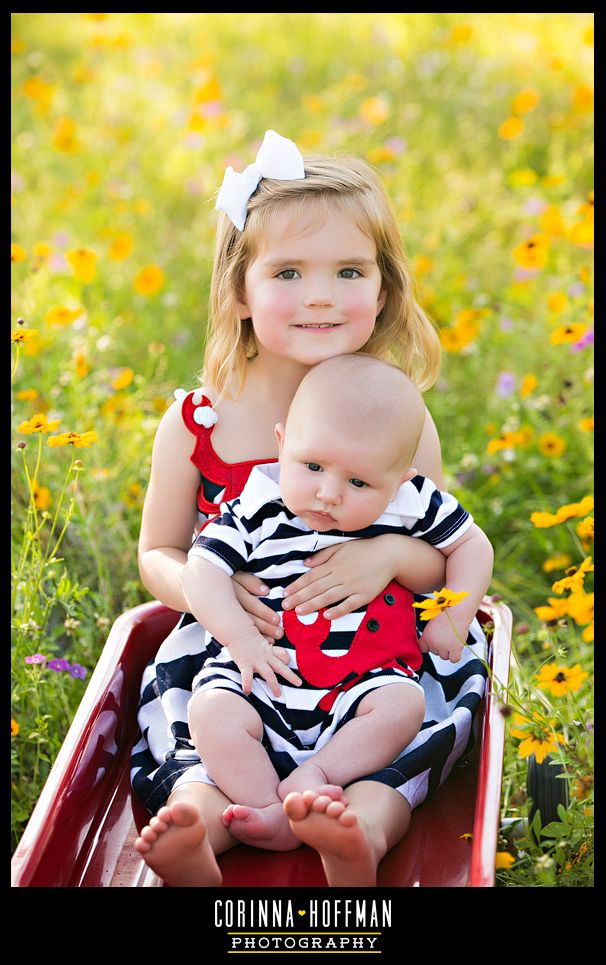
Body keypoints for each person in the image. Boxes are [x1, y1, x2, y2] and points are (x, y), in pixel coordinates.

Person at [131, 130, 492, 887]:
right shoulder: (200, 419)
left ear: (384, 288)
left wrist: (389, 555)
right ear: (239, 289)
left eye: (349, 271)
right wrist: (218, 595)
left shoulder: (399, 418)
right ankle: (203, 830)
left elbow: (440, 559)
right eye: (290, 271)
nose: (322, 294)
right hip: (240, 652)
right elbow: (158, 551)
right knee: (198, 721)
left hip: (373, 653)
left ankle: (360, 828)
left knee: (414, 722)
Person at [179, 354, 493, 855]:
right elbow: (202, 568)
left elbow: (472, 545)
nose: (328, 494)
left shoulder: (410, 500)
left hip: (365, 678)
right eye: (312, 466)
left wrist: (454, 619)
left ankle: (319, 773)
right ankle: (267, 808)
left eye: (359, 483)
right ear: (282, 444)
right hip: (264, 670)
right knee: (210, 710)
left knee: (403, 705)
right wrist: (238, 638)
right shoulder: (258, 500)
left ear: (400, 478)